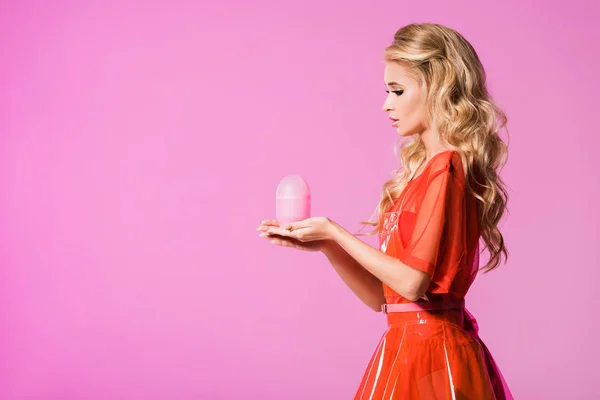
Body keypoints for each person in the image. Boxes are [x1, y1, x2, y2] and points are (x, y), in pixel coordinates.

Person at [257, 22, 512, 399]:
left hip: (434, 352)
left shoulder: (446, 167)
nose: (386, 104)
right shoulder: (417, 176)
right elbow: (383, 299)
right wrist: (328, 246)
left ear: (437, 87)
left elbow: (412, 283)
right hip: (404, 348)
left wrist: (334, 230)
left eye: (398, 90)